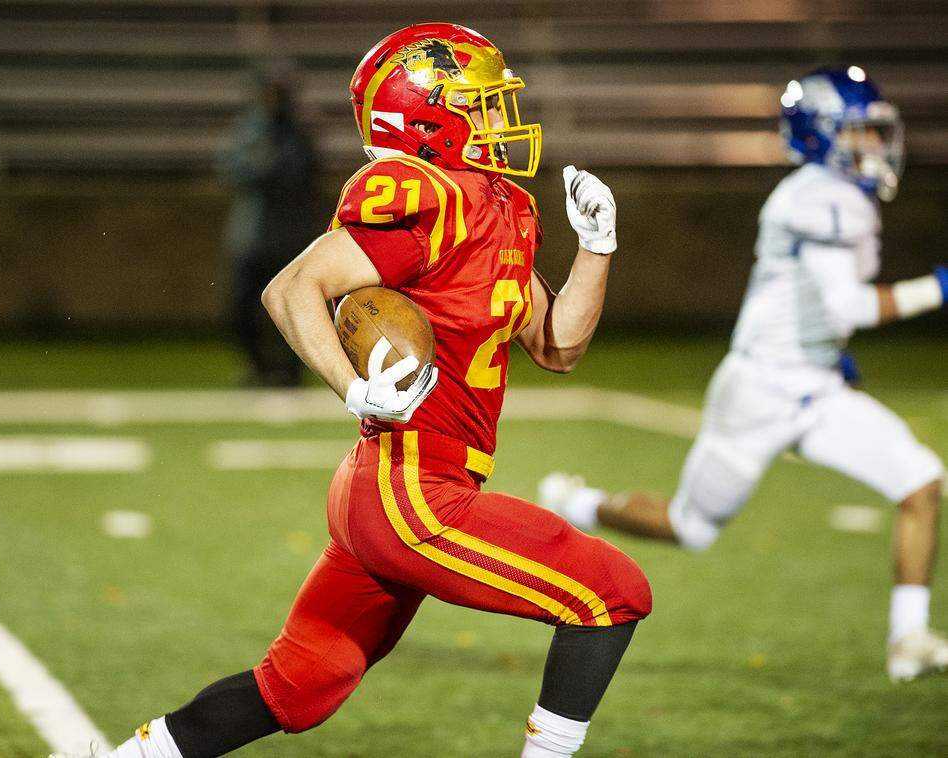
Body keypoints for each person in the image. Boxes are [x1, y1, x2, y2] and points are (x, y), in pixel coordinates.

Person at [70, 23, 651, 758]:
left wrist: (597, 250)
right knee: (612, 590)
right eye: (482, 106)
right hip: (413, 488)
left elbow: (556, 346)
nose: (501, 121)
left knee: (300, 685)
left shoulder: (500, 205)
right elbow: (291, 289)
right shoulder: (431, 195)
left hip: (392, 490)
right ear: (425, 118)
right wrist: (352, 387)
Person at [540, 66, 947, 682]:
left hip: (817, 383)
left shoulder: (842, 195)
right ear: (821, 135)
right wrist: (939, 287)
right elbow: (849, 306)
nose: (872, 144)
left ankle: (908, 639)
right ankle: (580, 503)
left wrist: (828, 349)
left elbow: (811, 300)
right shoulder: (817, 198)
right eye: (859, 131)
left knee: (920, 481)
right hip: (760, 390)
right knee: (692, 527)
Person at [220, 64, 318, 387]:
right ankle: (258, 367)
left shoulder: (300, 132)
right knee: (241, 307)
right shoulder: (248, 129)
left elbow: (301, 172)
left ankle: (291, 369)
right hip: (252, 234)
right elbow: (233, 169)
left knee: (294, 304)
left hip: (289, 234)